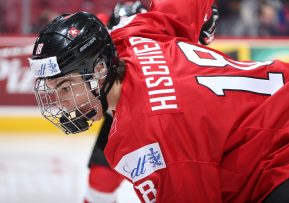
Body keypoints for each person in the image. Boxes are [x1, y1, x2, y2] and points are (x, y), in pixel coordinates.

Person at [28, 0, 289, 202]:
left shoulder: (147, 138)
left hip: (277, 157)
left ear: (98, 70)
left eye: (65, 87)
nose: (63, 103)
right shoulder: (134, 34)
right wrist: (206, 16)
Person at [85, 1, 219, 203]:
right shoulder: (123, 11)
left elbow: (199, 43)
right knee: (100, 181)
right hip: (127, 107)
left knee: (180, 185)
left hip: (170, 108)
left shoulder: (185, 10)